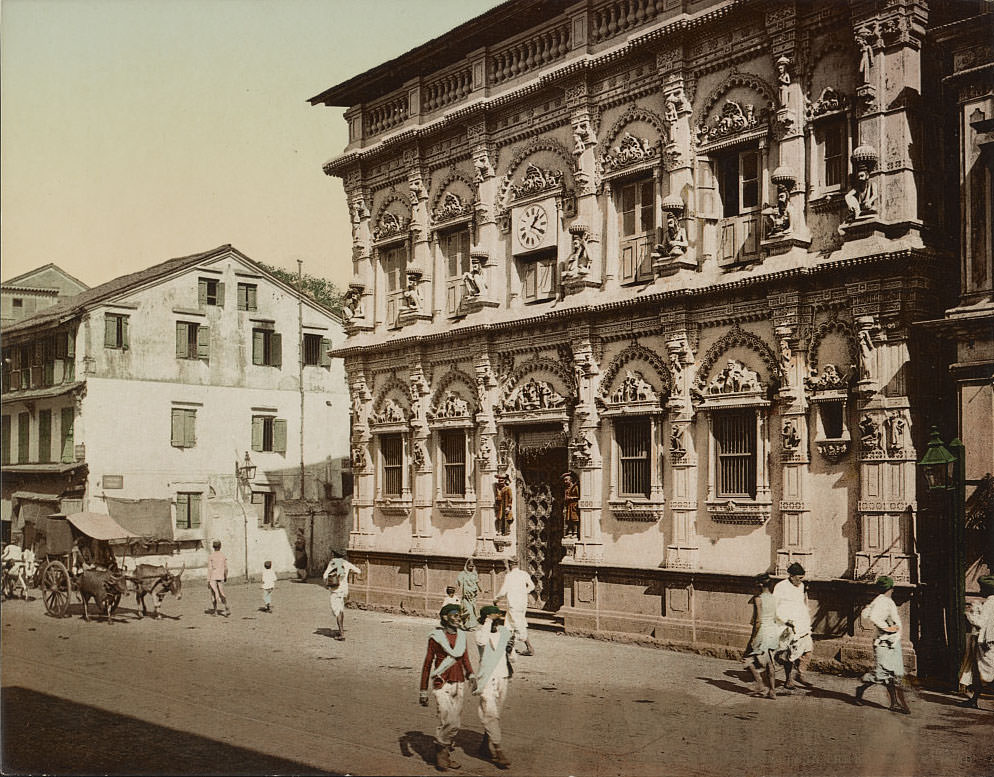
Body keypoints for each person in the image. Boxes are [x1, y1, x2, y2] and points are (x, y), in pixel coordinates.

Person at [419, 603, 477, 772]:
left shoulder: (462, 636)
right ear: (445, 617)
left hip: (459, 682)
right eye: (454, 615)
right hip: (441, 682)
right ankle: (441, 751)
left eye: (459, 615)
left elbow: (465, 658)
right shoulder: (435, 637)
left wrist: (471, 675)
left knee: (455, 723)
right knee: (449, 721)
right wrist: (423, 690)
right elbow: (427, 663)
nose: (458, 618)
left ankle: (444, 751)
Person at [854, 576, 911, 714]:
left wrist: (890, 627)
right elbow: (873, 616)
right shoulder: (883, 601)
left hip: (892, 642)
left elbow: (865, 612)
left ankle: (894, 703)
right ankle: (862, 687)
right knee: (881, 674)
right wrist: (886, 628)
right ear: (890, 588)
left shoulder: (882, 600)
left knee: (893, 674)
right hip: (884, 643)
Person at [474, 605, 514, 769]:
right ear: (486, 619)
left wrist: (510, 650)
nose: (500, 619)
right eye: (495, 617)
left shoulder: (504, 633)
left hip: (502, 675)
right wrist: (488, 621)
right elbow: (482, 641)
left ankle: (485, 744)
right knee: (490, 712)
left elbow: (513, 657)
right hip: (486, 678)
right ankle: (498, 750)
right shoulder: (480, 633)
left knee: (495, 713)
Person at [773, 562, 813, 689]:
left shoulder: (801, 587)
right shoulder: (780, 587)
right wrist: (785, 620)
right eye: (799, 578)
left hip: (802, 625)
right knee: (788, 654)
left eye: (802, 578)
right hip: (786, 625)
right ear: (791, 576)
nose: (801, 580)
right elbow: (774, 607)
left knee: (808, 650)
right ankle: (788, 679)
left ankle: (800, 674)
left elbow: (802, 604)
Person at [958, 575, 994, 708]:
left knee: (986, 672)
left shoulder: (990, 603)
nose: (980, 590)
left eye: (982, 588)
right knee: (979, 671)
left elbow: (980, 623)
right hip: (988, 641)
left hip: (985, 643)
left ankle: (974, 700)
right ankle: (974, 700)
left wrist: (969, 615)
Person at [744, 573, 782, 699]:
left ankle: (760, 683)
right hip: (772, 632)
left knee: (746, 660)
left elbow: (758, 620)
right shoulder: (773, 598)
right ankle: (772, 690)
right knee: (770, 662)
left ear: (760, 585)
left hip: (762, 632)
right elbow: (776, 617)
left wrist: (753, 637)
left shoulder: (758, 599)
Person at [496, 559, 535, 656]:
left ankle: (529, 647)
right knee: (510, 624)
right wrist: (524, 592)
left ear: (510, 564)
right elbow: (532, 586)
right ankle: (508, 647)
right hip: (522, 604)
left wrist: (496, 600)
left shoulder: (509, 576)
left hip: (513, 604)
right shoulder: (524, 574)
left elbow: (503, 591)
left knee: (517, 625)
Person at [323, 550, 361, 641]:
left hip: (335, 590)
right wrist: (348, 574)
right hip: (344, 590)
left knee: (337, 612)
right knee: (341, 610)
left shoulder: (333, 563)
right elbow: (358, 571)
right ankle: (341, 631)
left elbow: (325, 576)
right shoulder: (346, 563)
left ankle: (342, 634)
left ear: (334, 555)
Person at [207, 540, 230, 616]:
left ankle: (215, 611)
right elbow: (226, 568)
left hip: (213, 576)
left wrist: (208, 580)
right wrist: (225, 576)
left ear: (213, 547)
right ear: (220, 546)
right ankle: (226, 606)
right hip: (220, 576)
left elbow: (210, 569)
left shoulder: (211, 556)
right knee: (221, 592)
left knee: (213, 594)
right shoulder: (223, 556)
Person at [457, 557, 480, 629]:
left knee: (472, 610)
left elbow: (477, 583)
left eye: (472, 566)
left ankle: (471, 626)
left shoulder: (474, 574)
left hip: (473, 595)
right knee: (467, 610)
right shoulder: (463, 574)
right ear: (466, 566)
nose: (471, 567)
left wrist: (479, 589)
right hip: (466, 595)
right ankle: (466, 625)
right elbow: (459, 582)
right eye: (470, 566)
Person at [562, 472, 580, 539]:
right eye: (564, 480)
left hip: (574, 505)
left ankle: (575, 533)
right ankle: (569, 532)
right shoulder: (567, 489)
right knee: (568, 519)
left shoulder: (575, 487)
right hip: (568, 506)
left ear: (571, 480)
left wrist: (571, 498)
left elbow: (578, 496)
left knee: (574, 519)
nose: (565, 481)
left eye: (566, 480)